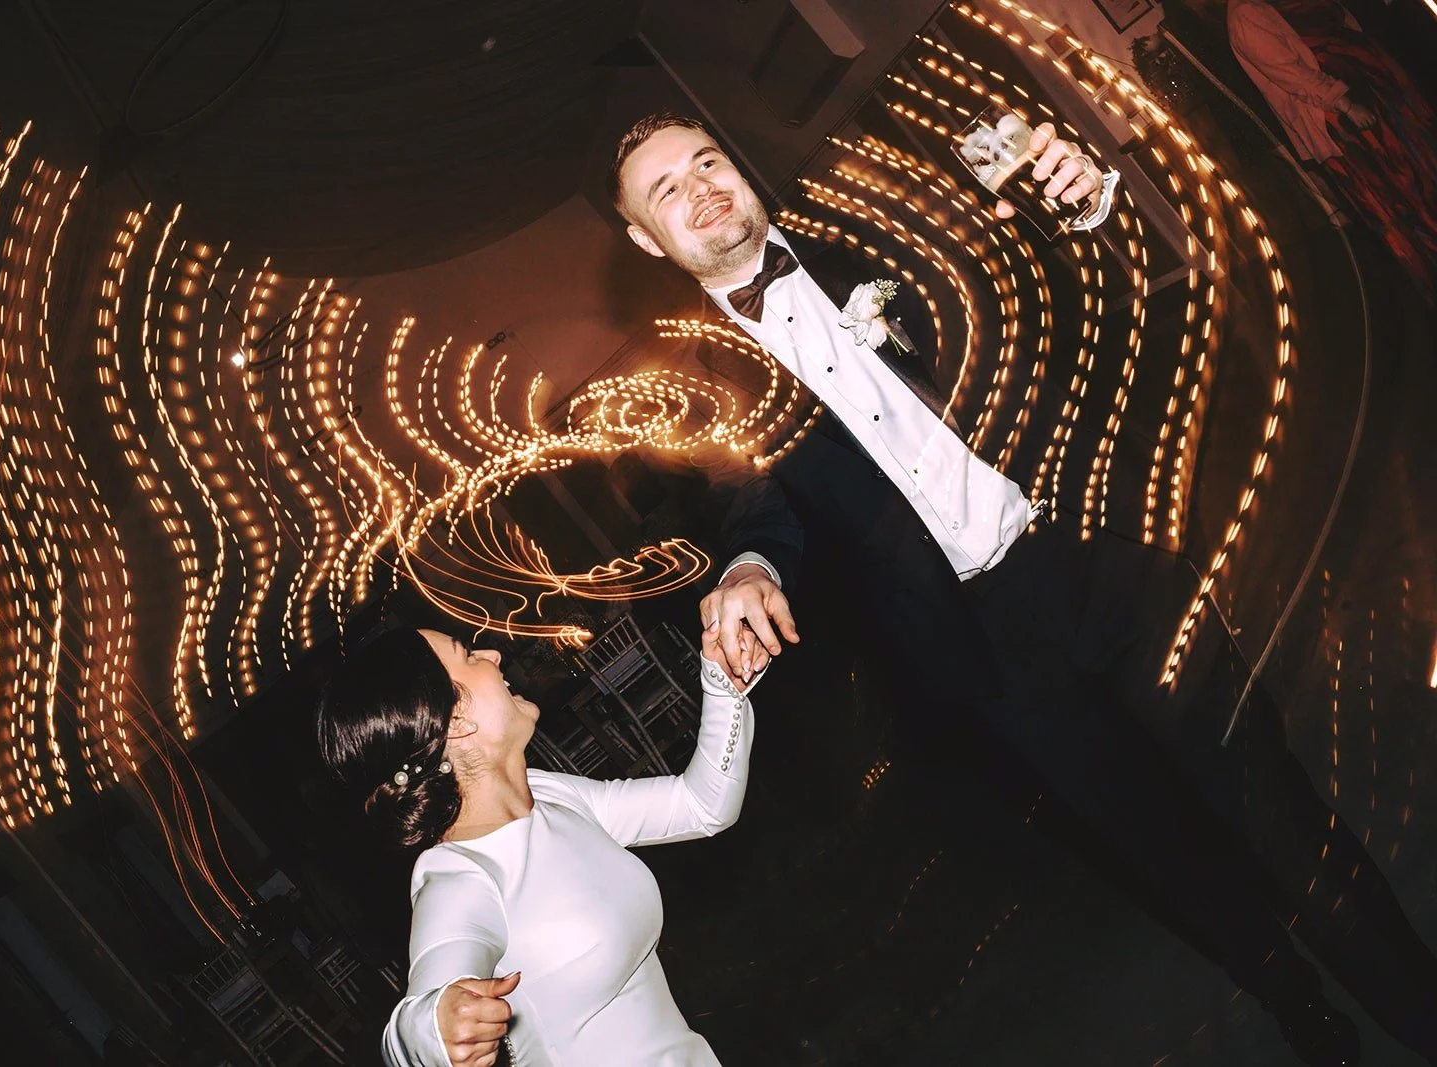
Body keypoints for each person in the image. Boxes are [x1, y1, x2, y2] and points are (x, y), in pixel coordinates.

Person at [607, 111, 1437, 1066]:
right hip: (982, 650)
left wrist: (1083, 205)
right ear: (644, 238)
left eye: (708, 159)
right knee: (1155, 844)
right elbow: (756, 506)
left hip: (1099, 562)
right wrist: (749, 566)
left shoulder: (875, 235)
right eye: (667, 189)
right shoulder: (702, 385)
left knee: (1268, 802)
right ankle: (1293, 1000)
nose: (702, 186)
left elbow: (1033, 274)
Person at [316, 625, 755, 1067]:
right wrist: (434, 1030)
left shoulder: (548, 795)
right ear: (453, 720)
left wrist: (724, 682)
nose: (492, 655)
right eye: (467, 655)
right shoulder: (460, 878)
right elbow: (417, 1018)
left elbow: (701, 805)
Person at [1227, 0, 1437, 296]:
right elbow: (1291, 73)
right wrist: (1345, 103)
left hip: (1369, 95)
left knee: (1420, 176)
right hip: (1342, 123)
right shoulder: (1245, 15)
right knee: (1404, 196)